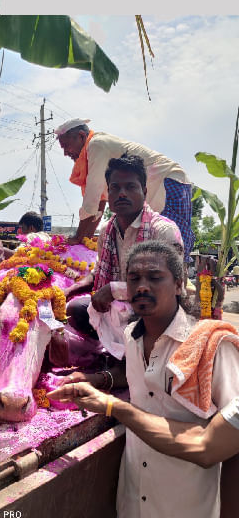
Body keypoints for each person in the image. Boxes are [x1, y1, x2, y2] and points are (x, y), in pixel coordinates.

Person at [47, 241, 239, 518]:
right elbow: (140, 377)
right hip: (133, 498)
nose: (142, 286)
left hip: (186, 504)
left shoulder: (211, 346)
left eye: (155, 277)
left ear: (178, 284)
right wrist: (94, 379)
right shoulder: (131, 335)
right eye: (134, 278)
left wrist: (112, 406)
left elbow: (231, 441)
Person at [67, 154, 184, 340]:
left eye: (130, 187)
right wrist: (69, 291)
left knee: (144, 318)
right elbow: (98, 272)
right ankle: (112, 351)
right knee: (75, 309)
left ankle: (124, 364)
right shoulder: (107, 230)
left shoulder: (162, 230)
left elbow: (168, 287)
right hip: (118, 307)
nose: (122, 193)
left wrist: (114, 290)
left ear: (144, 192)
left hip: (152, 308)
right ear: (109, 194)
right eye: (115, 188)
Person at [55, 118, 193, 253]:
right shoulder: (94, 150)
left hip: (169, 180)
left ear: (81, 136)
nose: (65, 153)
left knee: (174, 246)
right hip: (157, 188)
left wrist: (78, 237)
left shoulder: (96, 144)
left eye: (66, 146)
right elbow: (99, 202)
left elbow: (92, 196)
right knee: (154, 248)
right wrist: (85, 241)